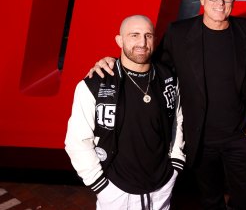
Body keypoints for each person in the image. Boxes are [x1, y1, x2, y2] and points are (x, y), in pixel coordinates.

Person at [88, 0, 246, 210]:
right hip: (199, 139)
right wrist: (112, 62)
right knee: (209, 201)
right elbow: (148, 66)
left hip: (240, 137)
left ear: (234, 0)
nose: (221, 1)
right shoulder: (179, 33)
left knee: (245, 201)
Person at [65, 15, 184, 210]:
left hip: (161, 185)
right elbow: (76, 141)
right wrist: (100, 185)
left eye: (148, 35)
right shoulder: (95, 83)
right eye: (134, 35)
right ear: (119, 40)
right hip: (116, 189)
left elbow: (178, 121)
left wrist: (176, 164)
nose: (142, 43)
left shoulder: (167, 78)